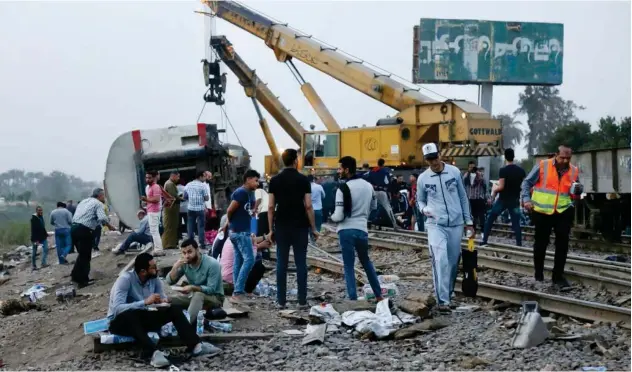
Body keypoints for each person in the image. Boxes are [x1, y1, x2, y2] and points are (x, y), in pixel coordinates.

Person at [108, 252, 220, 367]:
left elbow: (162, 297)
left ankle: (195, 346)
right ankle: (152, 353)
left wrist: (163, 301)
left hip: (142, 317)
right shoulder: (125, 280)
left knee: (174, 310)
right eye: (153, 268)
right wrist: (144, 302)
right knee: (130, 315)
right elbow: (117, 309)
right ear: (143, 272)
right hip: (121, 322)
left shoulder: (154, 279)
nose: (156, 270)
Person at [416, 143, 474, 313]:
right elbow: (420, 200)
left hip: (456, 224)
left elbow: (463, 197)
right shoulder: (423, 179)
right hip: (435, 224)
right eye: (429, 159)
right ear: (426, 160)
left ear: (440, 154)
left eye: (435, 157)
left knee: (453, 262)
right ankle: (443, 301)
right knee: (440, 260)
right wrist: (423, 209)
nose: (433, 161)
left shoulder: (454, 172)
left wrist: (468, 221)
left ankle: (448, 294)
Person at [522, 145, 580, 290]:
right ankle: (539, 275)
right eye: (562, 157)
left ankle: (558, 277)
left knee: (562, 245)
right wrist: (526, 199)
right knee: (541, 244)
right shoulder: (543, 166)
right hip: (542, 211)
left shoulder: (573, 170)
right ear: (556, 155)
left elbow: (573, 192)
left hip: (563, 210)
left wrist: (577, 193)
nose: (565, 160)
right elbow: (526, 182)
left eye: (568, 158)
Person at [267, 149, 317, 310]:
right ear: (296, 160)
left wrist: (270, 229)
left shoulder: (274, 180)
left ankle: (281, 301)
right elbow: (308, 206)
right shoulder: (303, 180)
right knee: (301, 262)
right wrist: (314, 228)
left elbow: (270, 207)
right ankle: (302, 301)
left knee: (281, 263)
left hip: (281, 225)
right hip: (300, 225)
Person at [331, 156, 383, 301]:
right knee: (366, 262)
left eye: (340, 168)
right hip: (362, 229)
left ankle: (352, 298)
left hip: (346, 230)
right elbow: (374, 207)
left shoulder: (343, 188)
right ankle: (379, 295)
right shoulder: (368, 186)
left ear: (347, 169)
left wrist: (332, 218)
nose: (338, 171)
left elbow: (339, 215)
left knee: (348, 265)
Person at [220, 169, 260, 303]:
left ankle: (237, 291)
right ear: (248, 179)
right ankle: (238, 291)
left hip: (242, 231)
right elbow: (230, 210)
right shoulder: (241, 192)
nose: (257, 183)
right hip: (239, 232)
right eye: (255, 180)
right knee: (249, 260)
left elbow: (249, 212)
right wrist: (230, 223)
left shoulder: (251, 193)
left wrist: (254, 209)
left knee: (238, 260)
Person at [166, 239, 225, 324]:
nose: (187, 256)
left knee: (198, 294)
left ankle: (186, 325)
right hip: (194, 296)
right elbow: (169, 281)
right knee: (168, 299)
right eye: (184, 253)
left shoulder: (212, 264)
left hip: (215, 298)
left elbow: (211, 289)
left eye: (190, 252)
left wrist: (192, 287)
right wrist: (174, 268)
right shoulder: (185, 263)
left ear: (197, 250)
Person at [71, 188, 117, 287]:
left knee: (82, 255)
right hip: (84, 230)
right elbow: (102, 218)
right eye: (103, 195)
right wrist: (109, 226)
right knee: (85, 256)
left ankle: (79, 277)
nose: (104, 198)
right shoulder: (98, 204)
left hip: (73, 228)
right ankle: (80, 281)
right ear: (100, 196)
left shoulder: (84, 201)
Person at [482, 148, 526, 246]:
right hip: (514, 201)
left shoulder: (503, 170)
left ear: (505, 157)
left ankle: (484, 240)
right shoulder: (521, 171)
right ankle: (519, 244)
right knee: (516, 223)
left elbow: (501, 187)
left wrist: (495, 189)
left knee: (490, 219)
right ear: (513, 156)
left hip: (503, 200)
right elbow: (523, 186)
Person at [365, 158, 399, 229]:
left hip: (373, 192)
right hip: (382, 192)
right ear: (383, 164)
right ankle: (394, 224)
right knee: (388, 208)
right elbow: (388, 182)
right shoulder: (385, 171)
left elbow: (366, 178)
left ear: (377, 164)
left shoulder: (372, 171)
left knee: (370, 208)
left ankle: (366, 223)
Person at [184, 171, 210, 249]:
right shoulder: (203, 186)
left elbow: (185, 196)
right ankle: (202, 244)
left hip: (190, 209)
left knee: (190, 226)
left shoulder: (188, 185)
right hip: (200, 209)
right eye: (204, 176)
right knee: (201, 226)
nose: (205, 178)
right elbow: (206, 198)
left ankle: (190, 243)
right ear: (200, 176)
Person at [463, 161, 489, 232]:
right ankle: (473, 230)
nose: (472, 169)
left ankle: (483, 231)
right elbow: (463, 187)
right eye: (470, 167)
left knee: (481, 216)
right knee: (472, 216)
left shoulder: (480, 175)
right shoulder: (466, 176)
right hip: (470, 199)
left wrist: (487, 198)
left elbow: (485, 187)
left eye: (473, 167)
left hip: (479, 199)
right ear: (468, 168)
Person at [142, 170, 164, 255]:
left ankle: (159, 250)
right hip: (150, 210)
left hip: (155, 211)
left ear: (154, 178)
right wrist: (146, 202)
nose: (147, 179)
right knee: (153, 231)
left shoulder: (156, 187)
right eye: (146, 177)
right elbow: (150, 199)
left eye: (149, 178)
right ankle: (157, 248)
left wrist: (146, 199)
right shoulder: (148, 187)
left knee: (154, 231)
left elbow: (156, 199)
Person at [162, 171, 181, 249]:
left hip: (172, 208)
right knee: (170, 226)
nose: (178, 178)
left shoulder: (170, 183)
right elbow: (174, 196)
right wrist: (181, 198)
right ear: (173, 176)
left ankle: (171, 243)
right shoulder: (169, 184)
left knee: (172, 226)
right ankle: (168, 244)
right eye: (178, 177)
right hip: (171, 208)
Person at [30, 205, 49, 271]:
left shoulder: (41, 217)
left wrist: (46, 234)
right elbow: (33, 230)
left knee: (46, 249)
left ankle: (43, 263)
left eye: (41, 210)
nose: (40, 211)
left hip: (43, 237)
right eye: (39, 210)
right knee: (34, 252)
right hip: (35, 238)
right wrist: (36, 240)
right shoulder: (34, 219)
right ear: (36, 211)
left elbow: (42, 227)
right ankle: (34, 266)